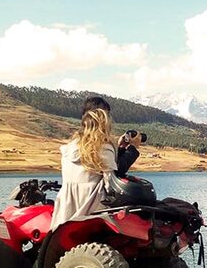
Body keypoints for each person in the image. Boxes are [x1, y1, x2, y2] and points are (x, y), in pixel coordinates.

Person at [50, 97, 142, 230]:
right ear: (104, 119)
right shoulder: (103, 147)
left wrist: (119, 149)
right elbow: (114, 179)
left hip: (66, 212)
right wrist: (133, 149)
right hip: (91, 210)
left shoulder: (70, 147)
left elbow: (98, 166)